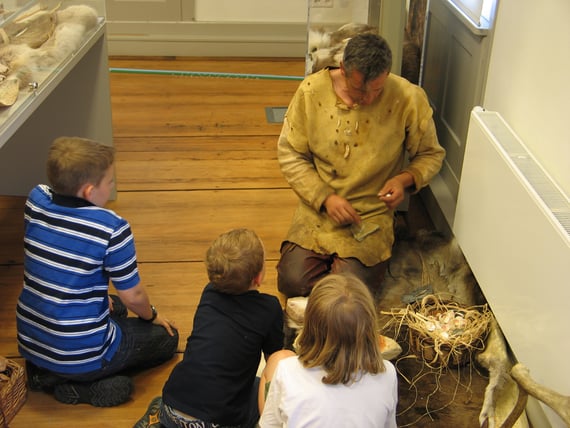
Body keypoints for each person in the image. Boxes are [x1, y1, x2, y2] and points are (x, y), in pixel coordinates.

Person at [276, 33, 446, 298]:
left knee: (347, 293)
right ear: (342, 69)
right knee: (292, 282)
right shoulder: (311, 91)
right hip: (318, 211)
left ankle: (381, 245)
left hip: (370, 215)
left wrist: (404, 179)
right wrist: (325, 198)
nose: (366, 99)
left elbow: (431, 154)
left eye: (376, 90)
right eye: (357, 90)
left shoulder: (408, 99)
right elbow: (290, 153)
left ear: (387, 74)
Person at [16, 136, 178, 407]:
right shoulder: (111, 228)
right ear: (90, 191)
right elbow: (133, 296)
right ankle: (81, 388)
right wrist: (153, 317)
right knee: (167, 340)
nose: (112, 187)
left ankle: (45, 374)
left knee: (113, 306)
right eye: (110, 182)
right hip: (82, 352)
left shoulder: (35, 200)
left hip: (32, 339)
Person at [135, 228, 285, 428]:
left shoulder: (209, 293)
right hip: (218, 422)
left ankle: (158, 420)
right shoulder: (269, 308)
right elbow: (274, 361)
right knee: (263, 389)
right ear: (257, 278)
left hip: (171, 405)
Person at [258, 273, 398, 427]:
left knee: (277, 359)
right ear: (370, 328)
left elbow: (269, 424)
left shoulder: (287, 371)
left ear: (310, 327)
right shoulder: (387, 373)